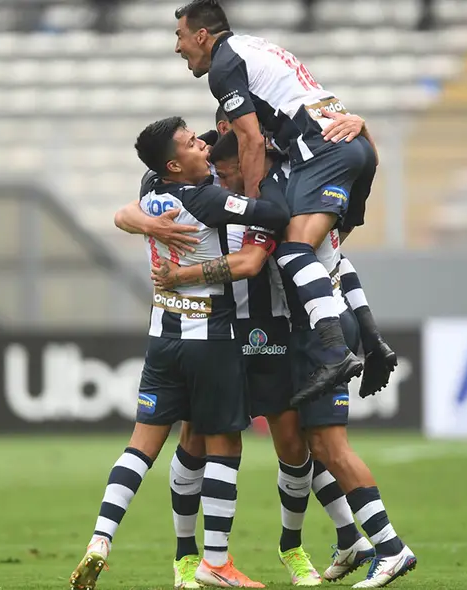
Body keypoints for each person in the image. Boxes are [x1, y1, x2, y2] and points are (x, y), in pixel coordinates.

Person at [147, 129, 417, 589]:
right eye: (212, 162)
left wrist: (180, 274)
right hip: (218, 332)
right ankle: (188, 558)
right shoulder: (207, 186)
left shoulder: (283, 200)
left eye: (226, 168)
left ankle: (307, 546)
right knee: (198, 437)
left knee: (301, 444)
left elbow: (304, 263)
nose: (220, 174)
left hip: (280, 333)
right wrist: (137, 219)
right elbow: (148, 189)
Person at [70, 116, 288, 590]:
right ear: (174, 163)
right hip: (211, 337)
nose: (201, 146)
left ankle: (100, 539)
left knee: (141, 444)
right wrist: (261, 194)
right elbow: (272, 217)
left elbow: (123, 213)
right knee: (224, 444)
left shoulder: (152, 188)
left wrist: (147, 222)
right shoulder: (207, 198)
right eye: (191, 143)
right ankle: (216, 562)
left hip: (163, 336)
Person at [174, 0, 387, 407]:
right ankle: (372, 340)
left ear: (201, 34)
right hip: (354, 146)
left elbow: (251, 139)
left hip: (322, 152)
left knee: (293, 249)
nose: (178, 47)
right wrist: (363, 130)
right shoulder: (258, 48)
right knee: (324, 250)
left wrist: (252, 207)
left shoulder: (224, 67)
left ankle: (335, 352)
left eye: (180, 36)